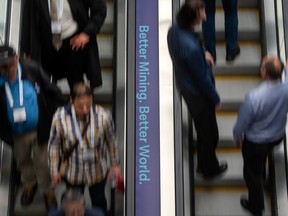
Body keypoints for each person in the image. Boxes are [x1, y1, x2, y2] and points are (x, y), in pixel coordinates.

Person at [167, 0, 227, 179]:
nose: (205, 17)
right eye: (201, 15)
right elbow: (202, 79)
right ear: (191, 18)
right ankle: (209, 168)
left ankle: (203, 162)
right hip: (198, 94)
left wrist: (203, 54)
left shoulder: (174, 29)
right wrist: (216, 99)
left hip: (185, 86)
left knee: (202, 127)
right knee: (210, 134)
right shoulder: (192, 49)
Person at [0, 45, 64, 211]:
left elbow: (53, 91)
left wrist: (54, 116)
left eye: (8, 64)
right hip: (15, 133)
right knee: (23, 162)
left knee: (43, 163)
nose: (6, 69)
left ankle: (48, 192)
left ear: (16, 58)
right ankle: (30, 185)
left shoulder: (32, 69)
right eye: (2, 66)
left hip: (39, 129)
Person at [48, 82, 121, 214]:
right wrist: (54, 170)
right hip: (73, 173)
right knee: (73, 206)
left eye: (88, 104)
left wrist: (115, 164)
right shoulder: (59, 118)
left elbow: (112, 141)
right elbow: (54, 146)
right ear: (71, 100)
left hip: (97, 171)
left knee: (99, 201)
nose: (86, 109)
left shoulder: (104, 116)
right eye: (81, 106)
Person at [233, 55, 287, 216]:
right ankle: (265, 176)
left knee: (252, 174)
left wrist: (237, 138)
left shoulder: (254, 97)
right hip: (277, 137)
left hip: (255, 142)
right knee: (263, 157)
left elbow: (241, 123)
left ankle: (256, 206)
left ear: (264, 73)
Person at [20, 0, 107, 91]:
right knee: (46, 86)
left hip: (73, 41)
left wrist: (86, 33)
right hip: (46, 44)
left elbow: (100, 9)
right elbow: (27, 19)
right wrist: (26, 51)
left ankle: (80, 103)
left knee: (76, 83)